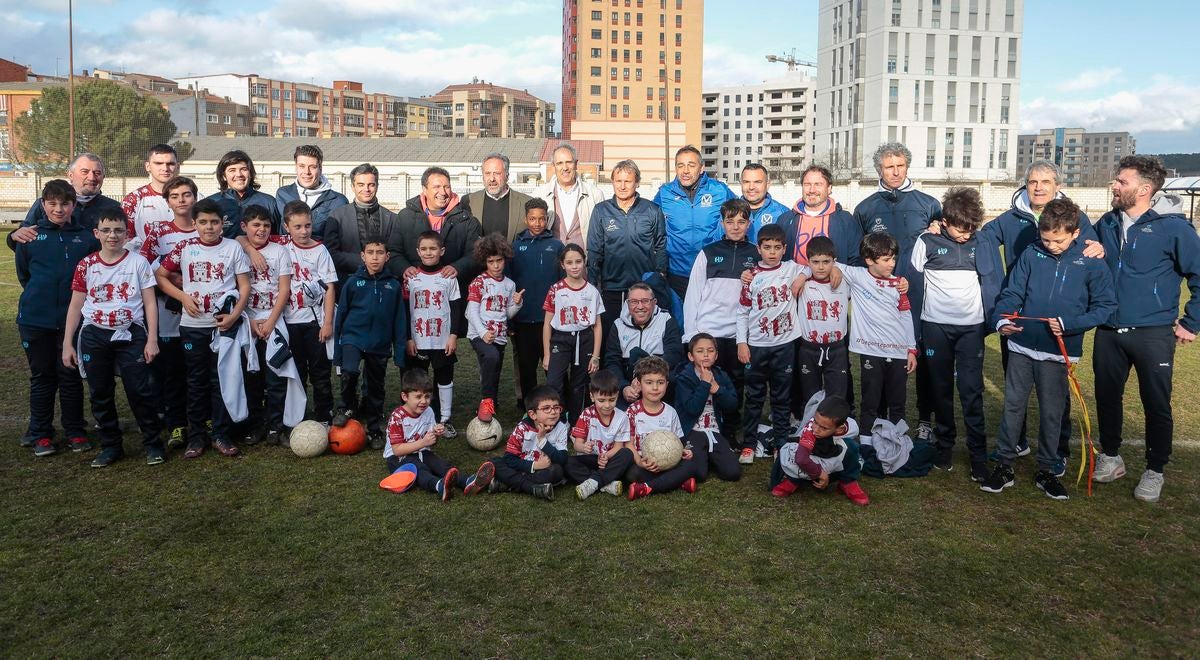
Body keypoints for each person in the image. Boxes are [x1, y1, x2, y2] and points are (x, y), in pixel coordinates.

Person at [981, 198, 1116, 500]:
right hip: (1021, 346)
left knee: (1053, 412)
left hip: (1058, 351)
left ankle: (1047, 468)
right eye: (1046, 239)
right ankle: (1004, 465)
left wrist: (1070, 324)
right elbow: (1012, 292)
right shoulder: (1031, 253)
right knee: (1013, 406)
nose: (1051, 245)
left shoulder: (1092, 261)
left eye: (1058, 240)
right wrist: (1002, 320)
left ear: (1076, 232)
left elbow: (1105, 306)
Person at [1092, 155, 1200, 503]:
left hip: (1153, 332)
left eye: (1121, 181)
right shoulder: (1106, 224)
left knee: (1155, 403)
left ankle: (1155, 470)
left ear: (1144, 188)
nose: (1114, 185)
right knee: (1107, 398)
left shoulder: (1174, 228)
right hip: (1108, 330)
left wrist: (1191, 322)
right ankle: (1111, 457)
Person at [910, 188, 1003, 481]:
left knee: (972, 392)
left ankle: (978, 456)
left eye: (971, 229)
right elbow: (911, 288)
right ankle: (944, 446)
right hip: (935, 328)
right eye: (960, 229)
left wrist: (991, 321)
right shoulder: (926, 241)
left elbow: (992, 282)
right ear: (945, 220)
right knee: (941, 391)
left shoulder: (982, 241)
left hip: (971, 330)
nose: (966, 235)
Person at [853, 143, 942, 441]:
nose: (895, 171)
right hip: (879, 299)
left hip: (917, 293)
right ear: (879, 168)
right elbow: (858, 256)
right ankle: (876, 417)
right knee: (879, 356)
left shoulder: (928, 204)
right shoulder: (865, 208)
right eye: (889, 166)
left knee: (920, 353)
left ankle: (925, 418)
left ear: (907, 167)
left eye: (900, 165)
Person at [61, 211, 163, 467]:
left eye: (118, 230)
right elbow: (75, 306)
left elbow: (150, 303)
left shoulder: (138, 263)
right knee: (100, 392)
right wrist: (67, 343)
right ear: (96, 233)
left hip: (131, 333)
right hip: (95, 334)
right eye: (106, 230)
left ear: (127, 234)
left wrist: (152, 339)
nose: (112, 235)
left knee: (139, 390)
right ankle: (110, 445)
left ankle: (153, 444)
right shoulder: (87, 264)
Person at [155, 198, 251, 459]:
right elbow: (161, 275)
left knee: (221, 380)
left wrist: (234, 315)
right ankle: (196, 437)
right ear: (195, 223)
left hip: (223, 327)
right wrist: (183, 296)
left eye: (215, 222)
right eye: (204, 222)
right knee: (195, 381)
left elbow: (244, 286)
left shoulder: (232, 248)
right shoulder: (185, 247)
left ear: (223, 224)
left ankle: (221, 433)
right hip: (192, 326)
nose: (209, 227)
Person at [15, 180, 99, 455]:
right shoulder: (30, 237)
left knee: (70, 376)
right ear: (43, 205)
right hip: (35, 320)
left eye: (65, 203)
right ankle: (41, 434)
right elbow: (24, 275)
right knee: (42, 377)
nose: (59, 209)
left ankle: (75, 430)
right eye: (52, 203)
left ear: (74, 205)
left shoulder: (86, 238)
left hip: (72, 322)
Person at [682, 198, 759, 443]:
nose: (735, 226)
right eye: (730, 221)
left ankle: (729, 433)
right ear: (722, 223)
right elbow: (693, 296)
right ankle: (704, 428)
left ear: (749, 223)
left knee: (735, 385)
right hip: (709, 332)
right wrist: (692, 334)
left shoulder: (757, 254)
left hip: (738, 335)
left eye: (741, 221)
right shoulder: (709, 253)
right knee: (707, 381)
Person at [735, 223, 807, 463]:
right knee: (754, 396)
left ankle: (781, 444)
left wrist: (800, 277)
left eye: (777, 247)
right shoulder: (751, 277)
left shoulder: (791, 268)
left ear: (784, 248)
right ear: (759, 248)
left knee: (781, 396)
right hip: (756, 345)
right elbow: (742, 312)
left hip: (784, 345)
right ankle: (748, 444)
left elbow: (809, 269)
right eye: (767, 247)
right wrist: (741, 343)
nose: (773, 252)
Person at [836, 233, 915, 446]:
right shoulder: (858, 275)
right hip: (871, 351)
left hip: (898, 352)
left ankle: (898, 441)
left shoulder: (899, 284)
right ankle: (866, 442)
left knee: (897, 401)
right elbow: (825, 262)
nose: (893, 263)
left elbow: (906, 316)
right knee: (870, 400)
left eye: (894, 258)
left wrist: (911, 349)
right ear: (870, 260)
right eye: (887, 259)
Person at [139, 176, 199, 450]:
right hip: (168, 311)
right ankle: (176, 424)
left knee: (199, 371)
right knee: (173, 371)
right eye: (175, 196)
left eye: (187, 194)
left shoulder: (206, 227)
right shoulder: (160, 232)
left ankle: (202, 420)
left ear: (195, 197)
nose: (182, 200)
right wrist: (173, 280)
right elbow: (142, 265)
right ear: (167, 201)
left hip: (202, 313)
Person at [332, 236, 408, 450]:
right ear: (362, 256)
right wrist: (338, 352)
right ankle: (346, 407)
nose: (375, 257)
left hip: (379, 344)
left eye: (380, 253)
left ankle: (374, 428)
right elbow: (341, 317)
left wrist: (400, 353)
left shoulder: (393, 285)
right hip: (352, 338)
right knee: (349, 370)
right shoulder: (352, 283)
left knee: (376, 387)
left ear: (387, 256)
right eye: (371, 253)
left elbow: (399, 321)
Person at [587, 158, 667, 342]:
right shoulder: (601, 211)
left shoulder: (652, 210)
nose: (622, 186)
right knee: (611, 340)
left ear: (637, 182)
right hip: (611, 289)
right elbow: (594, 250)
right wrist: (593, 285)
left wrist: (660, 275)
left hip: (642, 290)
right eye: (618, 181)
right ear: (613, 182)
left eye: (628, 181)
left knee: (642, 340)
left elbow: (661, 244)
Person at [385, 370, 495, 501]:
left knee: (440, 464)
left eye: (427, 396)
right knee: (419, 469)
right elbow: (397, 450)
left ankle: (468, 482)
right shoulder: (397, 417)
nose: (423, 401)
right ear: (405, 396)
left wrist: (436, 435)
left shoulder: (428, 411)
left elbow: (431, 443)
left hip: (421, 450)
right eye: (418, 396)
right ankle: (440, 486)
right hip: (398, 458)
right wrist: (423, 443)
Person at [276, 200, 338, 430]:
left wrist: (328, 322)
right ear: (286, 227)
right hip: (288, 322)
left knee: (320, 373)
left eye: (308, 226)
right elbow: (246, 239)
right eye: (298, 227)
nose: (303, 231)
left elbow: (330, 287)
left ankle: (324, 415)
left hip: (314, 323)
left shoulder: (320, 250)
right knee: (295, 373)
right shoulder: (280, 245)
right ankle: (297, 417)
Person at [238, 205, 293, 447]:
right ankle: (255, 425)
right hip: (247, 320)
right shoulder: (236, 248)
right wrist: (248, 321)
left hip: (274, 320)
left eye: (266, 225)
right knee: (252, 375)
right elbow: (234, 288)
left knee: (275, 374)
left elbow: (284, 289)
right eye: (256, 225)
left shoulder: (279, 251)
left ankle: (275, 425)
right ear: (244, 227)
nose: (261, 230)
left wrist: (271, 321)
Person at [654, 145, 736, 301]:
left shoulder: (719, 190)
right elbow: (649, 222)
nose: (685, 171)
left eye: (691, 165)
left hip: (712, 271)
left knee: (708, 322)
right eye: (680, 165)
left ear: (701, 168)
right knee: (680, 322)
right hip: (676, 273)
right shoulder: (664, 193)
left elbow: (742, 213)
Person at [404, 230, 465, 438]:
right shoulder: (411, 278)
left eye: (433, 248)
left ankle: (445, 419)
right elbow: (405, 310)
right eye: (424, 249)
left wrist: (453, 335)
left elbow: (457, 308)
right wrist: (409, 338)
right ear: (418, 252)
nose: (429, 253)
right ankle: (417, 418)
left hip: (442, 339)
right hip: (418, 340)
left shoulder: (448, 277)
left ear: (442, 251)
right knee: (418, 380)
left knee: (444, 378)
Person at [510, 198, 563, 411]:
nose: (537, 223)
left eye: (542, 218)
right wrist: (511, 320)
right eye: (533, 218)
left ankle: (558, 407)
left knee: (554, 368)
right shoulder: (516, 246)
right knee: (527, 368)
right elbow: (510, 283)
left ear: (547, 219)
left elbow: (562, 282)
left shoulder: (557, 245)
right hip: (524, 320)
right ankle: (529, 409)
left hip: (549, 321)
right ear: (526, 219)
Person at [542, 243, 604, 424]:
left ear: (584, 262)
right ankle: (558, 421)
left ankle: (576, 424)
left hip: (584, 339)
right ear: (563, 265)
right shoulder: (556, 290)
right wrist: (546, 354)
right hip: (560, 340)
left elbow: (598, 326)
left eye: (578, 261)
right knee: (554, 383)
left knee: (579, 385)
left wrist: (596, 356)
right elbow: (547, 324)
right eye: (569, 262)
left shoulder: (592, 291)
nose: (574, 266)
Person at [466, 233, 524, 427]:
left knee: (495, 369)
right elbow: (472, 311)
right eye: (491, 262)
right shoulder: (479, 282)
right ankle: (486, 402)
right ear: (485, 261)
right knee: (491, 358)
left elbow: (506, 313)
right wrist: (483, 332)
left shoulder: (509, 284)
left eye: (499, 261)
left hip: (499, 336)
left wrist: (517, 304)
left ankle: (493, 402)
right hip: (479, 333)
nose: (496, 265)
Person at [397, 166, 481, 297]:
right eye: (436, 187)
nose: (443, 192)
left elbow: (475, 254)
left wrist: (457, 267)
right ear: (424, 190)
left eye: (446, 187)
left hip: (452, 293)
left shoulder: (466, 219)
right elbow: (394, 251)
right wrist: (404, 268)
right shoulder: (405, 217)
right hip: (416, 294)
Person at [770, 396, 869, 506]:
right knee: (794, 453)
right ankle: (793, 480)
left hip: (829, 460)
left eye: (823, 428)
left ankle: (848, 481)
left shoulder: (851, 428)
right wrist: (820, 474)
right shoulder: (809, 431)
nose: (816, 429)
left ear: (840, 428)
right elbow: (801, 459)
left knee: (852, 447)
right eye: (815, 422)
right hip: (809, 460)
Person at [8, 153, 122, 248]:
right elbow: (22, 238)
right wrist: (13, 236)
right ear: (70, 175)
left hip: (97, 274)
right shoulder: (43, 205)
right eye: (85, 172)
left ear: (103, 177)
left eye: (97, 173)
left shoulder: (115, 208)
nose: (92, 178)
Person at [625, 356, 699, 499]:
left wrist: (683, 451)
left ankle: (647, 488)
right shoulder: (632, 411)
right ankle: (677, 482)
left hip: (669, 463)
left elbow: (677, 441)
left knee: (691, 465)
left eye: (660, 382)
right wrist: (640, 462)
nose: (655, 387)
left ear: (667, 384)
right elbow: (628, 444)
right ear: (639, 384)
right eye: (649, 382)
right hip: (643, 464)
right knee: (631, 473)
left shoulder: (670, 412)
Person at [672, 333, 742, 481]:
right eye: (700, 351)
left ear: (716, 355)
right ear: (691, 356)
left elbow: (732, 405)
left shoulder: (721, 375)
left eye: (710, 351)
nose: (705, 355)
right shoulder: (684, 377)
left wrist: (718, 390)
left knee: (733, 472)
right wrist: (704, 384)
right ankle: (701, 456)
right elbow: (692, 409)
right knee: (698, 474)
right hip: (693, 430)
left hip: (714, 430)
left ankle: (709, 455)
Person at [604, 282, 683, 409]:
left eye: (645, 301)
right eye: (634, 301)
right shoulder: (618, 325)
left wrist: (647, 378)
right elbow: (612, 361)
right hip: (629, 382)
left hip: (658, 380)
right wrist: (624, 387)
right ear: (627, 303)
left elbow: (674, 354)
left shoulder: (666, 320)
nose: (640, 306)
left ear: (654, 302)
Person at [793, 236, 851, 410]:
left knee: (837, 395)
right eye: (815, 261)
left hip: (836, 349)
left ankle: (836, 433)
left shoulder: (845, 281)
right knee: (810, 395)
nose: (820, 266)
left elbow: (861, 272)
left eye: (826, 262)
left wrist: (838, 268)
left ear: (834, 260)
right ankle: (809, 431)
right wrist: (804, 274)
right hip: (808, 347)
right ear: (808, 261)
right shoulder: (801, 280)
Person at [324, 163, 403, 284]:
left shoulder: (392, 218)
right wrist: (365, 261)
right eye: (361, 185)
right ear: (353, 186)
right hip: (348, 284)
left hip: (383, 283)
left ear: (377, 186)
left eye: (371, 185)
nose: (366, 189)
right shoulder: (336, 216)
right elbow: (331, 254)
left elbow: (395, 253)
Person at [489, 385, 569, 500]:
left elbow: (562, 459)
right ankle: (531, 488)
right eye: (546, 408)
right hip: (523, 467)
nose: (553, 412)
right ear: (533, 414)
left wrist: (542, 440)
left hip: (543, 471)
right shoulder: (522, 428)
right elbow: (509, 458)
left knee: (557, 471)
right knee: (494, 462)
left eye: (556, 407)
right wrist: (534, 465)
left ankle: (507, 484)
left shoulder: (561, 427)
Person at [777, 165, 863, 268]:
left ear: (829, 188)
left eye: (818, 184)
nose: (812, 190)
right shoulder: (785, 220)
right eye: (807, 184)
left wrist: (841, 271)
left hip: (832, 284)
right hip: (794, 283)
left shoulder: (845, 220)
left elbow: (857, 259)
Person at [568, 370, 635, 499]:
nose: (607, 405)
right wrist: (584, 447)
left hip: (610, 460)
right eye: (601, 400)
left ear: (617, 395)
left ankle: (593, 482)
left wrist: (605, 456)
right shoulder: (586, 415)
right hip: (592, 458)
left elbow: (618, 447)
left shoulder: (622, 417)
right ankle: (606, 484)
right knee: (567, 462)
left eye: (612, 400)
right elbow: (577, 445)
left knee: (627, 454)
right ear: (592, 397)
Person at [536, 143, 607, 248]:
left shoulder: (595, 195)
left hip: (583, 262)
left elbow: (602, 233)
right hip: (551, 260)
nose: (565, 168)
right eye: (559, 163)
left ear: (576, 164)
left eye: (569, 162)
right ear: (553, 166)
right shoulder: (540, 194)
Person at [274, 145, 349, 238]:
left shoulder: (338, 201)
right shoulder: (283, 194)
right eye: (302, 166)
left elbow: (343, 239)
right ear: (296, 167)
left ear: (320, 168)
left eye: (312, 167)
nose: (307, 172)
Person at [204, 149, 279, 237]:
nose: (239, 174)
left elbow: (277, 237)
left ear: (251, 173)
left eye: (244, 169)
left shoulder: (269, 202)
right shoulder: (211, 202)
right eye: (232, 170)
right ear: (224, 176)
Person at [120, 143, 180, 246]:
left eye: (170, 164)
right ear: (148, 166)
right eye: (158, 163)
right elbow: (124, 242)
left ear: (178, 166)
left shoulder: (195, 198)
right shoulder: (133, 201)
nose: (165, 168)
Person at [466, 153, 533, 242]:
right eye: (487, 173)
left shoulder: (526, 203)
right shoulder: (468, 201)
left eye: (497, 173)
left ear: (507, 176)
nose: (492, 179)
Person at [739, 163, 790, 243]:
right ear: (741, 184)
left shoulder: (783, 213)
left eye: (757, 182)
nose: (751, 187)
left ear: (768, 184)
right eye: (746, 182)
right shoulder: (730, 211)